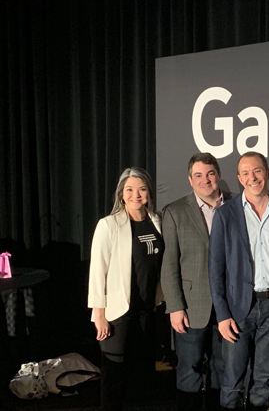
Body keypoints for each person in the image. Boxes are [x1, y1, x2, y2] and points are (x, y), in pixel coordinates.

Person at [209, 152, 269, 411]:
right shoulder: (225, 214)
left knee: (265, 379)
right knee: (233, 379)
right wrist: (222, 315)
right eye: (245, 173)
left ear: (267, 173)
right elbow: (215, 269)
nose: (251, 177)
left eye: (256, 171)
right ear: (238, 178)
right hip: (237, 310)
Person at [88, 167, 164, 411]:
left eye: (142, 189)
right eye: (130, 190)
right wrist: (99, 314)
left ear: (149, 193)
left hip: (147, 310)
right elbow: (97, 272)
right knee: (113, 377)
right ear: (122, 194)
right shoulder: (108, 225)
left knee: (138, 377)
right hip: (118, 313)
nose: (136, 195)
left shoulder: (157, 221)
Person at [160, 152, 231, 410]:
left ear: (219, 175)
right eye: (198, 175)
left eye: (210, 173)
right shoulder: (175, 212)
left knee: (222, 371)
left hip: (229, 307)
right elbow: (169, 265)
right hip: (191, 307)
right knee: (189, 372)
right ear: (190, 180)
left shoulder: (236, 206)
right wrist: (175, 307)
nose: (205, 180)